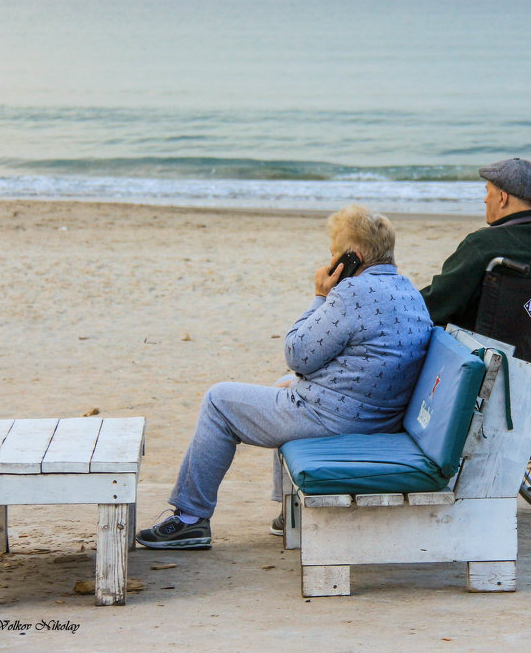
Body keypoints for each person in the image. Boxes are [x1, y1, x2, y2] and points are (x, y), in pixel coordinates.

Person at [137, 205, 432, 550]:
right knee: (283, 384)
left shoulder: (353, 293)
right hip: (377, 415)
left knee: (219, 401)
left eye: (334, 252)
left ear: (353, 257)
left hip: (338, 420)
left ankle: (190, 519)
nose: (330, 260)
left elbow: (298, 353)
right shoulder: (407, 291)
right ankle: (288, 512)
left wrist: (320, 295)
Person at [420, 157, 531, 331]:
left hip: (482, 351)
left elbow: (437, 303)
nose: (485, 200)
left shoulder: (483, 244)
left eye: (488, 192)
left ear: (502, 197)